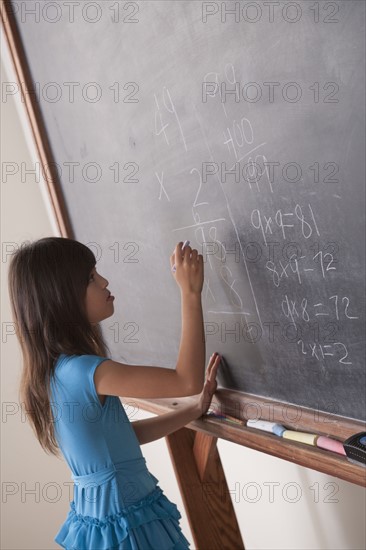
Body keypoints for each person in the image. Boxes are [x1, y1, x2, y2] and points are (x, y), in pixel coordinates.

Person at [8, 237, 221, 550]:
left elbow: (121, 440)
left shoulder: (54, 372)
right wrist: (190, 292)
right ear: (62, 298)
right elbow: (186, 381)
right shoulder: (86, 371)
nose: (104, 281)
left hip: (106, 522)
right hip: (127, 527)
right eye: (91, 278)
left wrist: (193, 410)